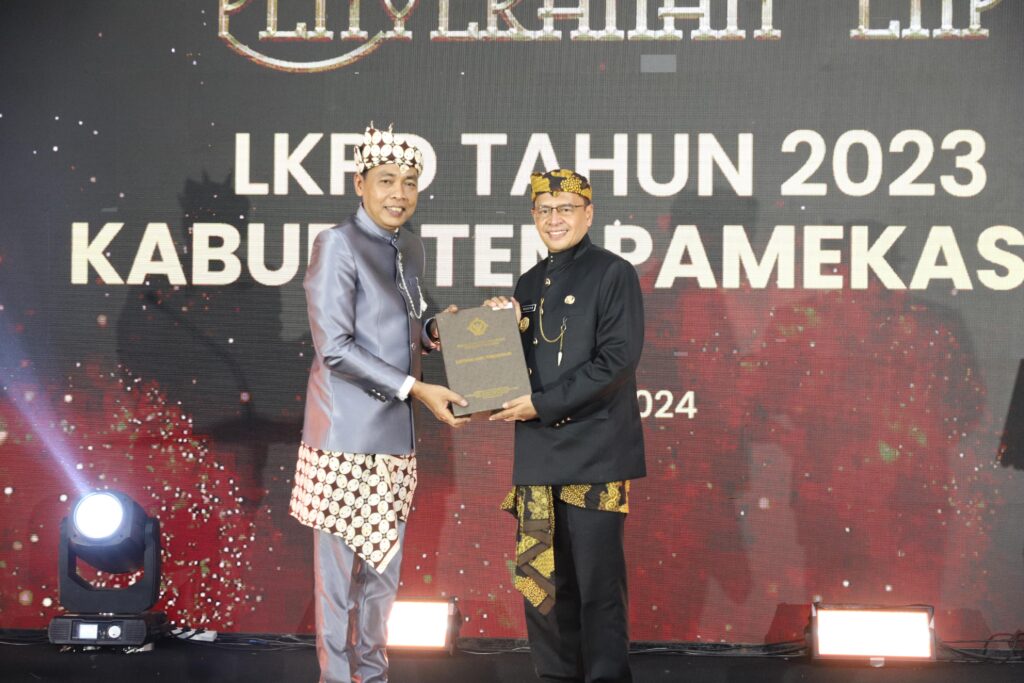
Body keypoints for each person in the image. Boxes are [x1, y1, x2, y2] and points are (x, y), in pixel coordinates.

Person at [289, 123, 469, 683]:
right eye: (387, 180)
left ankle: (373, 674)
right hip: (344, 437)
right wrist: (415, 388)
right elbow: (335, 348)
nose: (399, 194)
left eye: (409, 182)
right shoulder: (336, 244)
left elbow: (411, 317)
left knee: (383, 578)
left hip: (396, 439)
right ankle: (336, 678)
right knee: (338, 581)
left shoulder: (409, 244)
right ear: (359, 183)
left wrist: (441, 331)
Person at [484, 169, 646, 683]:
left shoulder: (613, 273)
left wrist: (542, 405)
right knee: (542, 592)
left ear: (588, 213)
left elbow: (616, 360)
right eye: (545, 210)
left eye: (567, 209)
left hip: (594, 458)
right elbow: (517, 370)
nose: (555, 219)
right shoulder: (529, 284)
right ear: (534, 216)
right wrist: (497, 332)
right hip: (537, 463)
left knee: (599, 593)